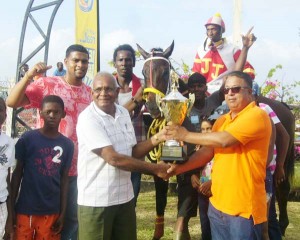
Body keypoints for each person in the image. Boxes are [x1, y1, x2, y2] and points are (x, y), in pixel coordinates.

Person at [165, 71, 272, 239]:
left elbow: (225, 140)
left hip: (243, 210)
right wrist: (178, 169)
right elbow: (207, 151)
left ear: (249, 92)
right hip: (217, 205)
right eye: (226, 90)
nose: (230, 93)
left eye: (236, 89)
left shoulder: (257, 115)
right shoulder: (222, 120)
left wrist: (185, 135)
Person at [6, 44, 92, 240]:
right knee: (42, 224)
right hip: (47, 172)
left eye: (84, 61)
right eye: (76, 60)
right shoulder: (47, 85)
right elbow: (11, 101)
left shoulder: (90, 92)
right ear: (67, 61)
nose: (80, 64)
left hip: (79, 171)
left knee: (72, 221)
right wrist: (28, 77)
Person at [76, 72, 170, 240]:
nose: (103, 93)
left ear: (117, 92)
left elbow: (131, 152)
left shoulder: (123, 113)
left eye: (108, 89)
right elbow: (113, 158)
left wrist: (159, 137)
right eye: (98, 89)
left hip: (124, 199)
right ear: (91, 93)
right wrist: (155, 169)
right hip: (97, 203)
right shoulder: (88, 119)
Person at [9, 95, 74, 240]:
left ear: (63, 114)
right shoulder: (28, 139)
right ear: (40, 113)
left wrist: (63, 213)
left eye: (56, 112)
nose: (52, 115)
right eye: (48, 111)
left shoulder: (67, 145)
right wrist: (12, 207)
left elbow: (64, 180)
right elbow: (17, 173)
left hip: (51, 211)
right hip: (25, 209)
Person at [253, 83, 289, 240]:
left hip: (265, 169)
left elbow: (285, 136)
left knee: (268, 216)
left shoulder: (264, 109)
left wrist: (280, 165)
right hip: (253, 168)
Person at [113, 44, 144, 206]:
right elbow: (112, 117)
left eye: (128, 60)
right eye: (121, 60)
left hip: (135, 147)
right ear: (115, 63)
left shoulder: (144, 86)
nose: (124, 63)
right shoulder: (106, 87)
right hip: (113, 147)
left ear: (134, 63)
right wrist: (135, 101)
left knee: (133, 194)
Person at [192, 13, 255, 93]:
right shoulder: (201, 50)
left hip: (225, 92)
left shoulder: (233, 50)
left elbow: (248, 70)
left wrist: (238, 85)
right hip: (204, 93)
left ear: (221, 30)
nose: (210, 33)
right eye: (208, 30)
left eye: (213, 29)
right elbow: (195, 74)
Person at [190, 118, 215, 240]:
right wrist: (193, 175)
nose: (205, 132)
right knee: (205, 223)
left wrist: (212, 182)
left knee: (216, 224)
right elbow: (194, 165)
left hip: (217, 190)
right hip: (202, 191)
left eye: (209, 128)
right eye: (203, 129)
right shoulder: (198, 147)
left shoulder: (220, 147)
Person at [0, 98, 15, 239]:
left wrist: (10, 217)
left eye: (1, 108)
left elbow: (7, 180)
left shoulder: (9, 143)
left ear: (5, 115)